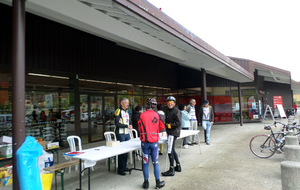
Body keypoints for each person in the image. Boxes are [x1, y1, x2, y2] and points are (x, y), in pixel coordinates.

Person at [138, 98, 165, 189]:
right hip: (154, 142)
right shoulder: (157, 115)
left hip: (144, 142)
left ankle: (146, 183)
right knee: (155, 162)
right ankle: (158, 183)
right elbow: (162, 127)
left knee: (145, 163)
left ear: (147, 105)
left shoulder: (141, 115)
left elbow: (139, 126)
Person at [161, 96, 182, 177]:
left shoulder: (176, 111)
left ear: (174, 103)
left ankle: (171, 169)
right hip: (170, 132)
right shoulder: (168, 111)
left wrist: (169, 126)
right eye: (168, 101)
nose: (170, 103)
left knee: (169, 150)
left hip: (173, 133)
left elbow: (178, 123)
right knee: (172, 150)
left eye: (171, 101)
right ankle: (178, 166)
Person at [114, 97, 133, 176]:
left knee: (126, 151)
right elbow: (117, 124)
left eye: (128, 103)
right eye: (126, 103)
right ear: (121, 103)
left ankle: (124, 166)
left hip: (126, 134)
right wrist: (126, 126)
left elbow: (129, 121)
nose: (127, 104)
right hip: (120, 134)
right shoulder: (118, 111)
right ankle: (120, 169)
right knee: (121, 152)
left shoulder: (127, 111)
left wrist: (131, 125)